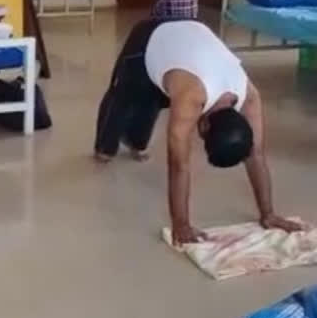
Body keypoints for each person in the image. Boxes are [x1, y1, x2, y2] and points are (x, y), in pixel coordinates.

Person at [93, 19, 301, 246]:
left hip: (190, 38)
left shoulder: (249, 96)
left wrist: (268, 213)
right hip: (149, 38)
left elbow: (256, 155)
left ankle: (135, 141)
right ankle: (104, 148)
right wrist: (181, 224)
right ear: (203, 126)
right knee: (124, 97)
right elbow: (178, 164)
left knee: (154, 101)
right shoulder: (190, 98)